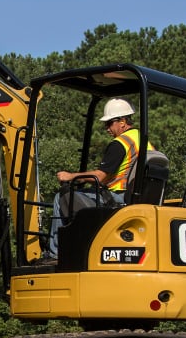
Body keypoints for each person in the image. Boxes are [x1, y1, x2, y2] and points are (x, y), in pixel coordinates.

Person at [45, 98, 153, 259]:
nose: (106, 128)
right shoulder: (143, 141)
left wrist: (71, 176)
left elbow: (100, 177)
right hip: (136, 198)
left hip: (118, 198)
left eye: (109, 123)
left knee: (61, 196)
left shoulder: (120, 143)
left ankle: (55, 253)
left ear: (122, 121)